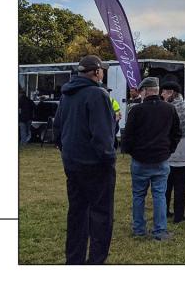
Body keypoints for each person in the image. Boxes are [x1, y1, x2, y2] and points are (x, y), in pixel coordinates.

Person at [52, 55, 116, 264]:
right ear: (96, 72)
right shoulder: (97, 94)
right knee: (101, 216)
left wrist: (68, 153)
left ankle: (74, 260)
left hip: (72, 164)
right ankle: (96, 262)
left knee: (77, 213)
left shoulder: (67, 95)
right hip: (96, 166)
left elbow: (57, 129)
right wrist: (108, 160)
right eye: (102, 70)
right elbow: (103, 135)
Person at [122, 77, 181, 240]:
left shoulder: (136, 111)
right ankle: (160, 230)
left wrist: (130, 151)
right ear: (156, 90)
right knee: (159, 195)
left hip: (140, 160)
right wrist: (169, 150)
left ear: (145, 91)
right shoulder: (169, 109)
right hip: (161, 159)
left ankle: (139, 229)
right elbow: (177, 133)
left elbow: (128, 136)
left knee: (138, 195)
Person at [161, 81, 185, 224]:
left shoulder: (166, 108)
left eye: (163, 92)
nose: (161, 94)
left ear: (171, 92)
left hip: (170, 154)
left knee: (166, 186)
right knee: (180, 187)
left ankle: (164, 211)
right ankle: (179, 215)